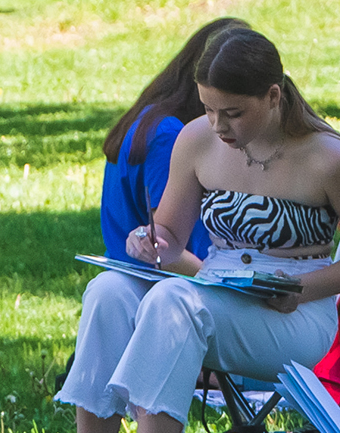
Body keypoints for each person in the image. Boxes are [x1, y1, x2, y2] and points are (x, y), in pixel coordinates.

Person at [50, 27, 340, 433]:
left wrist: (304, 288)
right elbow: (168, 235)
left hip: (296, 312)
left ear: (273, 96)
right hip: (218, 290)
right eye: (209, 109)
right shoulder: (196, 140)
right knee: (107, 291)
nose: (218, 125)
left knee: (175, 301)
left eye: (232, 113)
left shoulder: (328, 157)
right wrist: (148, 243)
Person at [94, 15, 252, 262]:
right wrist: (229, 286)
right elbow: (165, 246)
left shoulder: (149, 117)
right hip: (158, 283)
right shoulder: (168, 136)